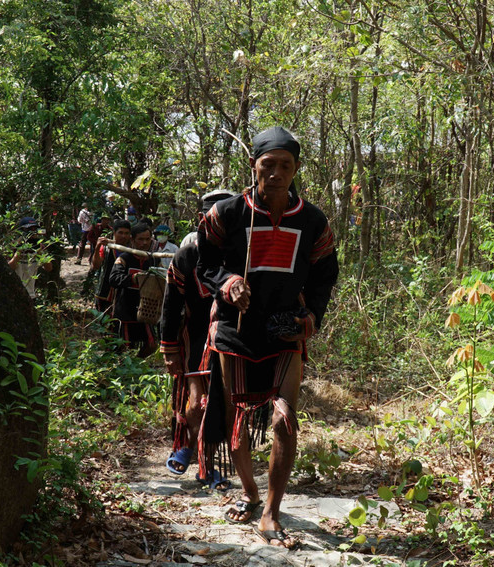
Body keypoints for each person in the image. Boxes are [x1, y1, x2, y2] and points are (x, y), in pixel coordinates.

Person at [197, 126, 338, 548]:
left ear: (296, 170)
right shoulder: (227, 214)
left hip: (285, 331)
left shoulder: (313, 220)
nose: (276, 173)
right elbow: (204, 263)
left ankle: (272, 513)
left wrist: (311, 313)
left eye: (285, 165)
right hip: (235, 332)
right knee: (237, 418)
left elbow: (325, 273)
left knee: (284, 419)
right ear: (254, 165)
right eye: (268, 164)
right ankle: (249, 491)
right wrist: (228, 281)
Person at [160, 191, 236, 488]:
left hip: (231, 339)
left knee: (222, 403)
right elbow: (170, 304)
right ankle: (193, 448)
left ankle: (204, 461)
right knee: (195, 404)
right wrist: (169, 350)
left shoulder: (240, 252)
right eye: (208, 219)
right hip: (194, 338)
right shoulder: (186, 255)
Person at [109, 223, 159, 357]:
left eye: (147, 239)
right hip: (125, 309)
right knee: (125, 347)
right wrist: (133, 279)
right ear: (133, 240)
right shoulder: (124, 259)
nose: (144, 243)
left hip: (146, 310)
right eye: (140, 239)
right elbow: (113, 278)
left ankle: (137, 364)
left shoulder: (153, 261)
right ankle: (126, 373)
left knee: (152, 344)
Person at [8, 216, 65, 302]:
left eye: (35, 230)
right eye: (30, 230)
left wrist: (40, 253)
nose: (33, 234)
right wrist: (18, 252)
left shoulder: (38, 246)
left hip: (31, 295)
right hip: (15, 294)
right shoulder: (13, 246)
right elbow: (8, 268)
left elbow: (49, 268)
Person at [94, 219, 132, 317]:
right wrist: (97, 247)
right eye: (120, 233)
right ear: (114, 233)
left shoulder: (133, 250)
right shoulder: (106, 248)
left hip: (125, 295)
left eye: (126, 233)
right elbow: (96, 265)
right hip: (105, 293)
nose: (123, 236)